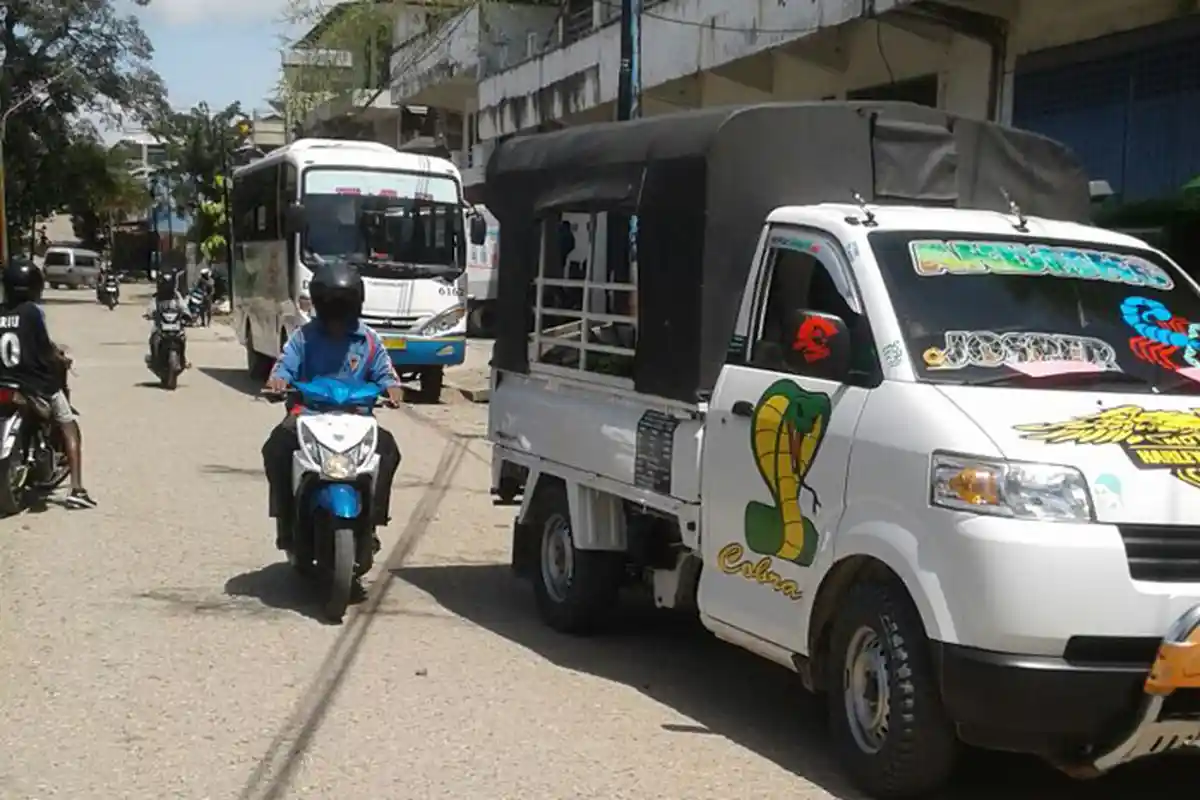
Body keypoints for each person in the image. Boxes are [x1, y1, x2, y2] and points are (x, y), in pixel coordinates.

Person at [261, 261, 403, 552]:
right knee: (275, 448)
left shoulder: (370, 340)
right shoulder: (303, 337)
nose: (337, 314)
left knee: (389, 450)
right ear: (318, 304)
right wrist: (278, 381)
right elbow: (284, 366)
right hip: (307, 414)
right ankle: (286, 521)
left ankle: (373, 521)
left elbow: (386, 372)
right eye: (331, 305)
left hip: (358, 417)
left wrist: (393, 388)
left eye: (343, 305)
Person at [0, 258, 96, 508]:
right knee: (69, 425)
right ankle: (76, 489)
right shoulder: (32, 312)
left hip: (4, 383)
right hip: (34, 387)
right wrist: (60, 359)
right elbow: (44, 349)